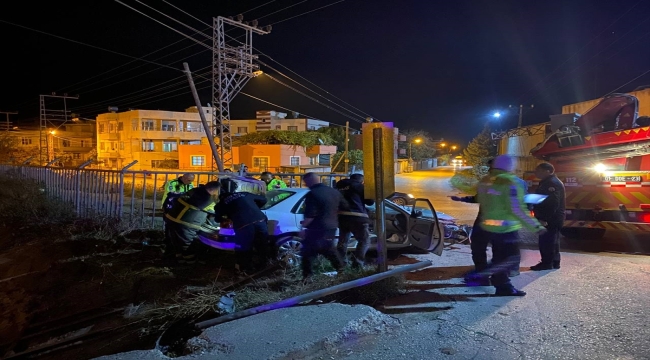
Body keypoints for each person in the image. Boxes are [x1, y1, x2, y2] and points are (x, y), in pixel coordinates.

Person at [468, 155, 547, 296]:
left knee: (486, 251)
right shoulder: (513, 182)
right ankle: (489, 276)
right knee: (510, 257)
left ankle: (493, 281)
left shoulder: (485, 181)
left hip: (485, 223)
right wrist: (535, 226)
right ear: (510, 167)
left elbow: (479, 198)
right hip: (505, 228)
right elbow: (517, 208)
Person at [213, 178, 269, 273]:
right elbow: (263, 199)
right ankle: (264, 266)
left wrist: (228, 216)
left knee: (243, 247)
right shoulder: (245, 194)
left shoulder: (221, 203)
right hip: (260, 220)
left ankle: (245, 269)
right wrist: (255, 207)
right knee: (262, 244)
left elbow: (217, 218)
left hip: (243, 225)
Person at [300, 172, 347, 279]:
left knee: (308, 251)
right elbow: (345, 206)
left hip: (316, 227)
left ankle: (307, 277)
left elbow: (311, 214)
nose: (305, 184)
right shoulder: (334, 192)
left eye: (305, 182)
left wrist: (303, 228)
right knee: (327, 248)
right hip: (331, 226)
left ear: (309, 181)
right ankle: (341, 269)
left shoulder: (313, 194)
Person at [164, 181, 221, 264]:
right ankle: (190, 264)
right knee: (187, 245)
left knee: (176, 242)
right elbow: (215, 211)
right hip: (185, 223)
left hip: (171, 218)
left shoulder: (194, 190)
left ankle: (180, 261)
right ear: (215, 190)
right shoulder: (208, 199)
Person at [530, 162, 566, 271]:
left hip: (550, 219)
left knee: (547, 242)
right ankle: (554, 262)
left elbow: (552, 203)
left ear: (547, 171)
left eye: (538, 170)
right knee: (553, 241)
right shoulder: (548, 182)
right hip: (554, 218)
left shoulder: (551, 183)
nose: (536, 172)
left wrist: (543, 219)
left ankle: (546, 263)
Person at [335, 173, 374, 267]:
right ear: (361, 181)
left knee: (343, 241)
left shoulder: (340, 186)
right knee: (364, 240)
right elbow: (370, 202)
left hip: (342, 217)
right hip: (358, 217)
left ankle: (340, 263)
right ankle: (358, 264)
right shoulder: (359, 186)